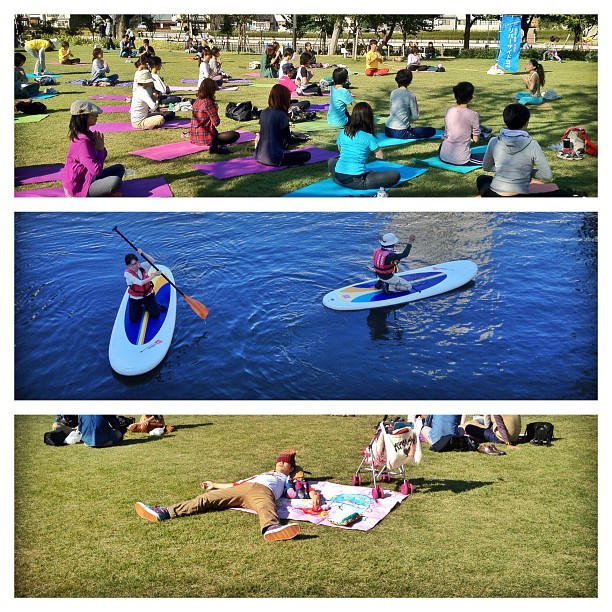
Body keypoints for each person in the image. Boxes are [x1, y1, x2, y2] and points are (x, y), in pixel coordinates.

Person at [134, 449, 302, 542]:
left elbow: (301, 481)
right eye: (280, 460)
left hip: (263, 491)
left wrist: (295, 465)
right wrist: (214, 485)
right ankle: (164, 512)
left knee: (266, 507)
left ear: (291, 468)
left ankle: (271, 528)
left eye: (286, 462)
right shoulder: (265, 473)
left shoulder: (289, 477)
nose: (281, 462)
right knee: (205, 499)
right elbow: (235, 484)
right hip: (244, 487)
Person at [476, 104, 575, 197]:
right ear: (526, 123)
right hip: (520, 197)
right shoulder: (532, 144)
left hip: (493, 195)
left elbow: (486, 167)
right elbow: (547, 175)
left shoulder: (494, 141)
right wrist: (525, 172)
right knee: (565, 194)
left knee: (482, 179)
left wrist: (507, 170)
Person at [329, 102, 400, 191]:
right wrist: (368, 152)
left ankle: (339, 179)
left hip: (338, 176)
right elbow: (381, 156)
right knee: (395, 175)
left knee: (332, 161)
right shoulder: (368, 137)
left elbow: (340, 149)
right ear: (369, 118)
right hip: (357, 181)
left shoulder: (343, 131)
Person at [63, 100, 125, 197]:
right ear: (84, 117)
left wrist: (100, 150)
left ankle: (104, 191)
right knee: (115, 181)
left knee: (119, 168)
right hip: (79, 188)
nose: (96, 116)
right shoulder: (82, 142)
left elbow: (95, 162)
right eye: (93, 114)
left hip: (88, 177)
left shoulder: (88, 135)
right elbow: (96, 170)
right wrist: (100, 150)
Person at [255, 84, 312, 167]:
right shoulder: (281, 115)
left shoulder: (264, 112)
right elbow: (288, 139)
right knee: (306, 155)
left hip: (258, 155)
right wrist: (301, 138)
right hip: (273, 159)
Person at [439, 81, 485, 166]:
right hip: (461, 159)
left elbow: (447, 132)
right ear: (471, 97)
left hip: (443, 155)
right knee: (490, 158)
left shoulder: (448, 110)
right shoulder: (473, 114)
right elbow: (476, 140)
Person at [190, 78, 240, 154]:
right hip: (206, 138)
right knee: (235, 135)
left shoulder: (197, 101)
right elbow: (216, 122)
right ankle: (215, 146)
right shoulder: (208, 103)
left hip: (194, 137)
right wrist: (216, 110)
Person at [384, 69, 436, 140]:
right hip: (401, 131)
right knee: (432, 131)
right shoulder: (410, 96)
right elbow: (415, 116)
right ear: (409, 81)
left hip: (387, 129)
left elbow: (391, 108)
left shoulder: (393, 92)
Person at [124, 249, 166, 322]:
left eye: (135, 263)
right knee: (133, 319)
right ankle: (140, 307)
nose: (134, 267)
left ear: (138, 262)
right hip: (135, 298)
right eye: (131, 265)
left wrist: (142, 253)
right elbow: (140, 283)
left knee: (156, 315)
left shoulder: (142, 266)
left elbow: (152, 260)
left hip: (148, 295)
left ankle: (150, 305)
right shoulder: (127, 274)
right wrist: (154, 275)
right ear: (128, 266)